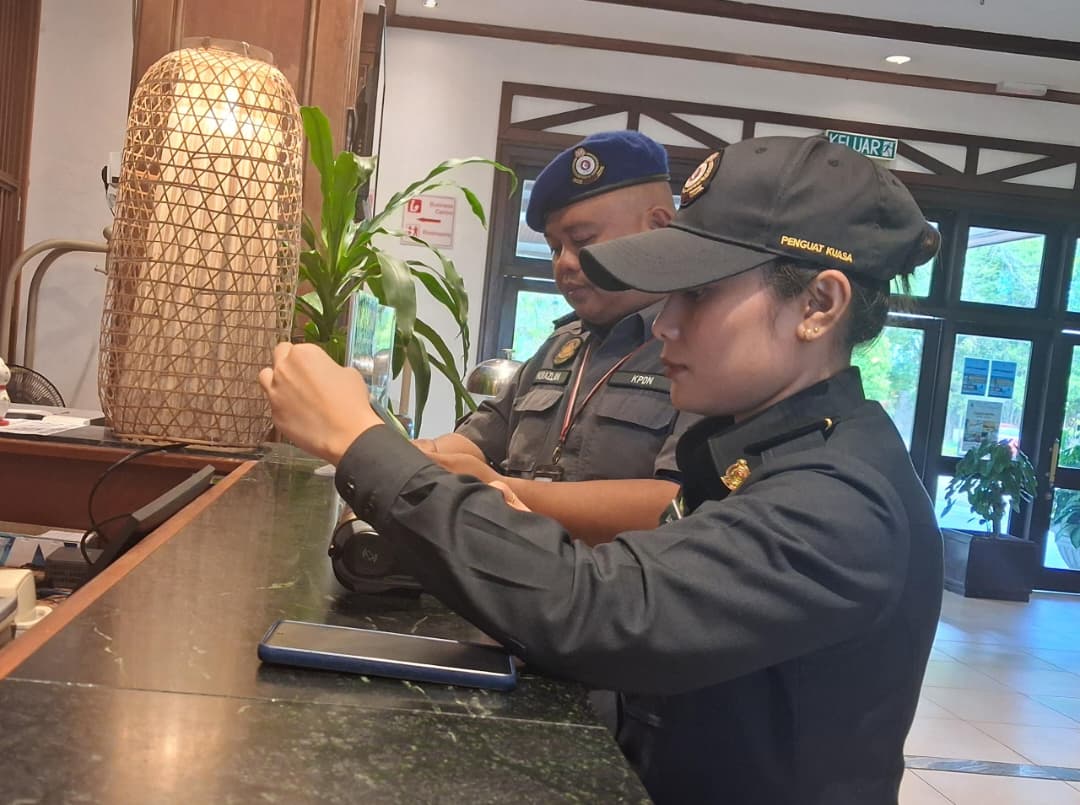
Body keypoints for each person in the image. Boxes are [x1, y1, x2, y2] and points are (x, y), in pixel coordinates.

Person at [260, 135, 944, 804]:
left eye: (699, 294)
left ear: (818, 306)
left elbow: (604, 607)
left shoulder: (843, 499)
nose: (666, 323)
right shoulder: (750, 449)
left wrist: (362, 441)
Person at [414, 130, 698, 545]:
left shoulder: (700, 350)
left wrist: (499, 490)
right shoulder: (562, 346)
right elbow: (481, 437)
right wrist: (422, 459)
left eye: (582, 241)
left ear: (658, 227)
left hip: (616, 581)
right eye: (553, 248)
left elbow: (674, 506)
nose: (564, 263)